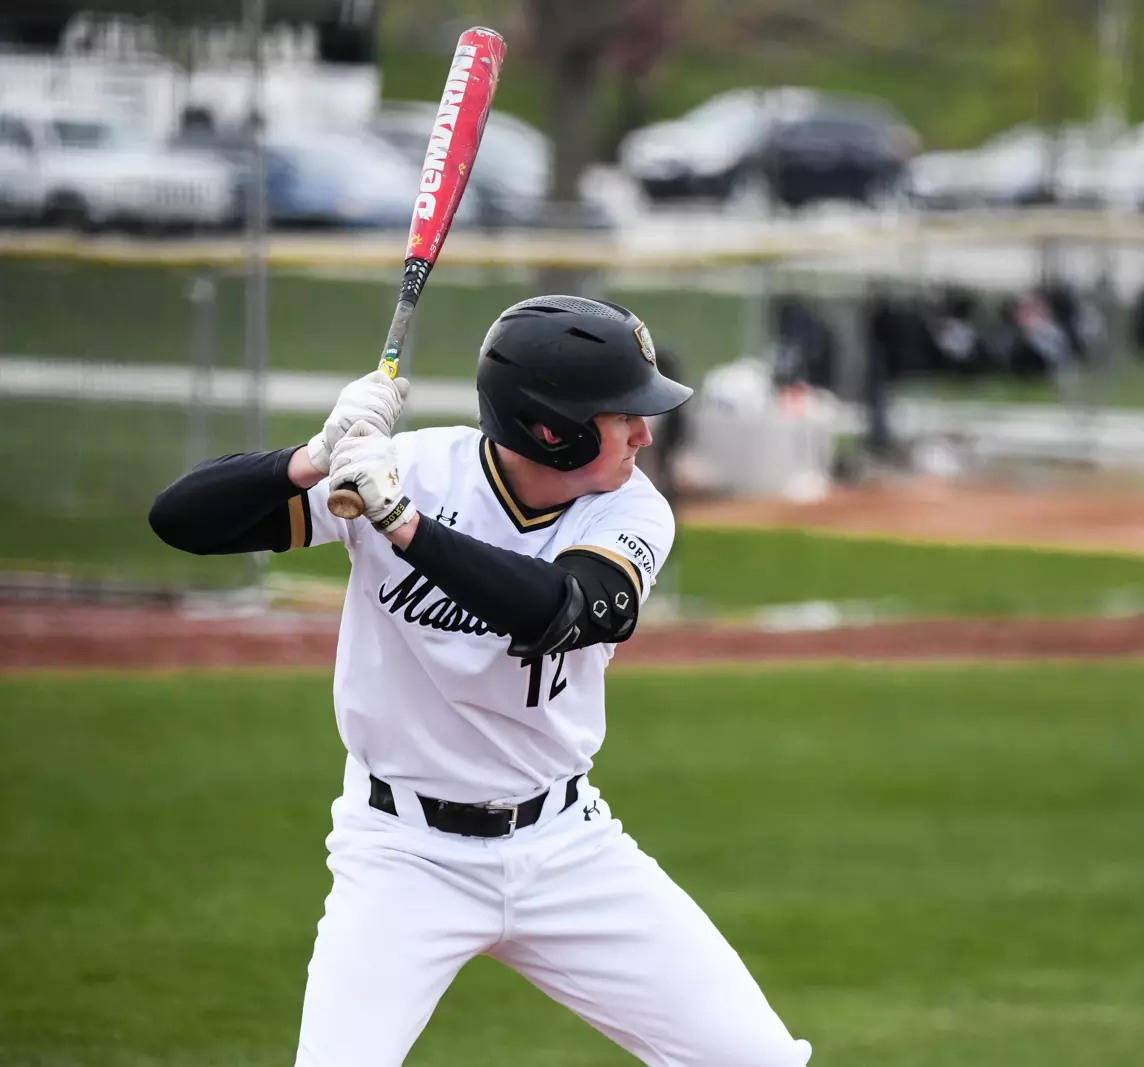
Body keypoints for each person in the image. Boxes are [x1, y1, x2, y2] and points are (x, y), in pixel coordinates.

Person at [149, 295, 811, 1067]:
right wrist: (309, 458)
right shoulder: (415, 470)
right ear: (551, 430)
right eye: (622, 412)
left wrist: (405, 527)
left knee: (756, 1060)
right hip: (401, 853)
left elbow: (560, 609)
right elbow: (180, 520)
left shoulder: (632, 510)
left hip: (567, 848)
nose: (644, 431)